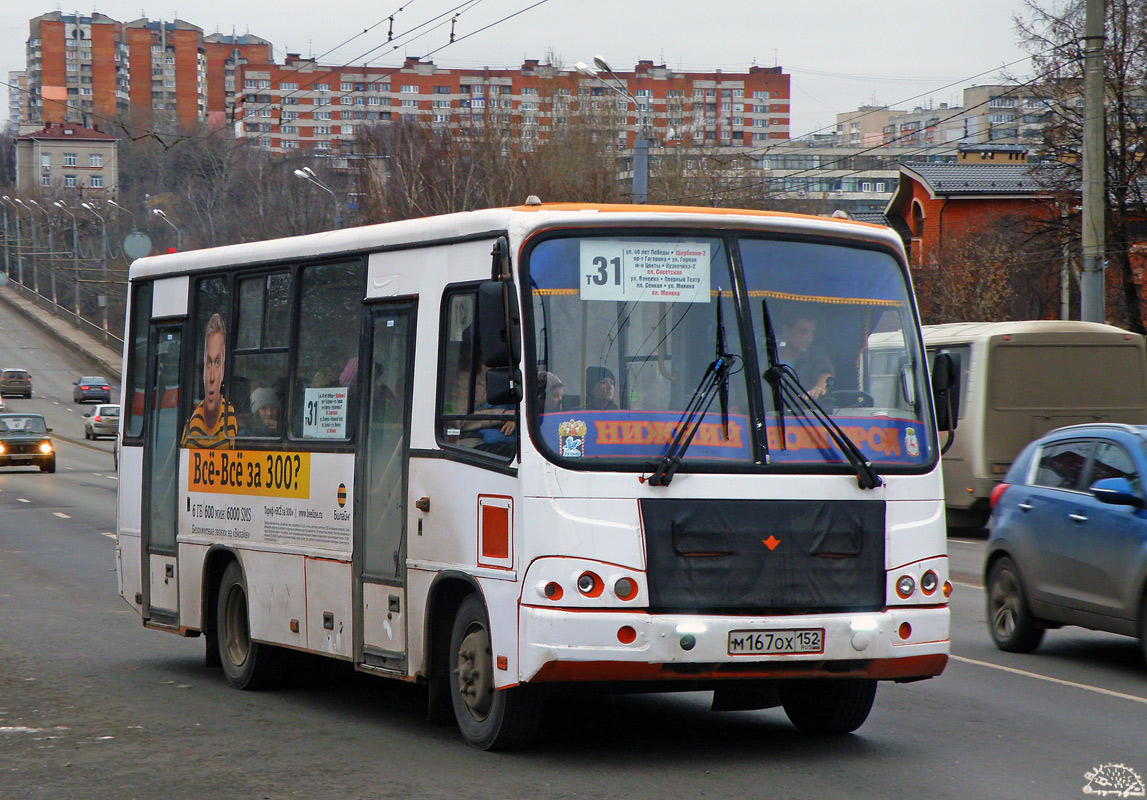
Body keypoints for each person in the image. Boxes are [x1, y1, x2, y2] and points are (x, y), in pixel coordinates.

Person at [182, 312, 237, 448]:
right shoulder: (190, 428)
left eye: (217, 363)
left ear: (223, 369)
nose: (212, 377)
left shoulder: (232, 423)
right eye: (209, 363)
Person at [777, 314, 834, 399]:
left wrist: (819, 388)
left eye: (812, 333)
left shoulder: (816, 357)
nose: (809, 338)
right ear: (786, 331)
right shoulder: (764, 360)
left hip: (804, 411)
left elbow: (826, 373)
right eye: (803, 331)